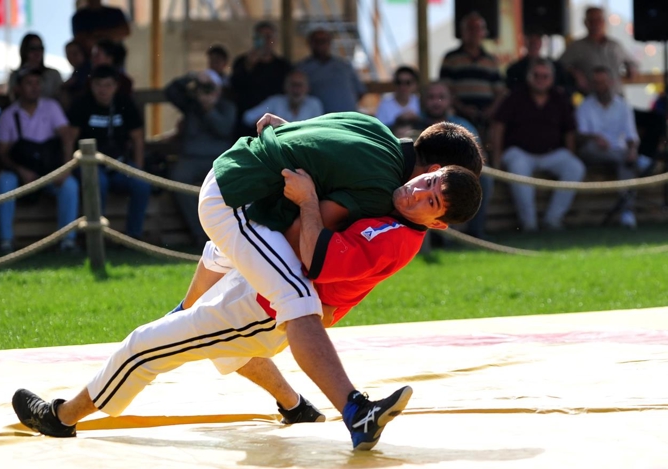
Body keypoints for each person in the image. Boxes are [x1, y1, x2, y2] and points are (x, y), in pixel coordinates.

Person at [12, 165, 483, 449]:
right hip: (266, 287)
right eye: (428, 181)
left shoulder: (395, 237)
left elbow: (314, 257)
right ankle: (294, 405)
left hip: (267, 305)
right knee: (224, 298)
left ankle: (60, 417)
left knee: (143, 347)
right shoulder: (391, 194)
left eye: (431, 200)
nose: (418, 191)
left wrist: (307, 200)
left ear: (437, 224)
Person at [179, 112, 483, 450]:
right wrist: (308, 203)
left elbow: (299, 131)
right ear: (433, 171)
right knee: (296, 306)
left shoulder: (372, 126)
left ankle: (291, 403)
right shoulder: (382, 191)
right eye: (441, 185)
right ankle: (355, 411)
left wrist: (290, 137)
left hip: (234, 171)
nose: (419, 196)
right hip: (241, 200)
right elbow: (311, 250)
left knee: (224, 289)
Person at [490, 59, 585, 232]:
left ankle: (553, 219)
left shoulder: (560, 97)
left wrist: (571, 153)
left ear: (552, 78)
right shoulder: (515, 95)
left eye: (545, 76)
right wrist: (496, 159)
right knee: (517, 165)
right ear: (528, 77)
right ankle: (529, 224)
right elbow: (498, 126)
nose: (541, 79)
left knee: (575, 167)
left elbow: (569, 131)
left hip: (552, 153)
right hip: (520, 153)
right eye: (536, 75)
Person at [0, 68, 79, 254]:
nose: (34, 88)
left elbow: (67, 137)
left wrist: (65, 169)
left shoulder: (51, 107)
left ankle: (68, 241)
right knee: (5, 181)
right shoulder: (9, 114)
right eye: (29, 83)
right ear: (17, 88)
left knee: (70, 185)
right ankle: (5, 241)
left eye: (37, 83)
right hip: (22, 172)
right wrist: (20, 171)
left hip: (49, 169)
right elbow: (2, 153)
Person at [67, 65, 151, 239]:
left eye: (108, 85)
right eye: (98, 85)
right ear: (91, 85)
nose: (103, 90)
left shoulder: (124, 103)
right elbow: (68, 139)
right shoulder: (82, 104)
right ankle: (97, 238)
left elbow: (137, 137)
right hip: (89, 165)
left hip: (119, 163)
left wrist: (139, 168)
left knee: (142, 184)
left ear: (116, 86)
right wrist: (67, 168)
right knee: (99, 183)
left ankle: (134, 237)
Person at [164, 69, 237, 248]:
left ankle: (226, 234)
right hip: (191, 158)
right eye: (203, 88)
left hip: (218, 158)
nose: (206, 93)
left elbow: (224, 129)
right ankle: (200, 234)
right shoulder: (191, 104)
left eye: (210, 88)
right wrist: (192, 77)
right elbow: (170, 91)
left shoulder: (227, 107)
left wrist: (210, 109)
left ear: (219, 90)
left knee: (230, 186)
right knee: (178, 181)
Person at [414, 81, 492, 239]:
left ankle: (474, 233)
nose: (436, 102)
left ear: (450, 100)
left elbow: (479, 159)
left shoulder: (463, 126)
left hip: (454, 177)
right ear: (424, 101)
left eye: (441, 97)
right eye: (431, 97)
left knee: (484, 178)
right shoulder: (414, 123)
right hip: (422, 179)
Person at [576, 66, 647, 229]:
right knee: (621, 157)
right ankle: (640, 161)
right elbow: (580, 136)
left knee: (626, 163)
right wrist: (595, 137)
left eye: (603, 82)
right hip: (594, 152)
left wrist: (632, 150)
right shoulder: (585, 106)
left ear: (612, 82)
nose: (601, 86)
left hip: (617, 152)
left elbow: (631, 135)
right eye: (597, 83)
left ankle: (627, 212)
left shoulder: (623, 105)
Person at [439, 12, 505, 136]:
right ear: (462, 32)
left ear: (484, 33)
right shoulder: (451, 58)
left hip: (486, 120)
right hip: (458, 118)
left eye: (478, 28)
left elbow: (500, 92)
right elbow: (444, 90)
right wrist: (463, 108)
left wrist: (490, 111)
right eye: (470, 28)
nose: (474, 32)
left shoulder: (491, 60)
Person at [230, 21, 293, 138]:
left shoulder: (283, 66)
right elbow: (234, 87)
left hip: (274, 125)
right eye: (261, 37)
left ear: (275, 39)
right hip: (245, 125)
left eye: (268, 37)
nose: (265, 41)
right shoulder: (242, 62)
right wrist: (248, 66)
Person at [559, 7, 637, 96]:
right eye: (592, 20)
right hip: (591, 98)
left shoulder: (614, 46)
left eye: (599, 20)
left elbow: (632, 62)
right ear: (585, 23)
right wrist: (575, 73)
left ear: (604, 22)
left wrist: (631, 67)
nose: (595, 24)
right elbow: (559, 65)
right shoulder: (577, 47)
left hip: (616, 97)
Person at [296, 27, 366, 114]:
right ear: (310, 43)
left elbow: (360, 91)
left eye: (324, 40)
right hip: (319, 120)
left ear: (330, 43)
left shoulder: (344, 65)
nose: (320, 44)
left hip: (347, 118)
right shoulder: (301, 68)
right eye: (316, 41)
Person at [242, 70, 323, 126]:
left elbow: (319, 128)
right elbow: (248, 117)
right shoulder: (275, 101)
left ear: (307, 88)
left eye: (299, 85)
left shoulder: (314, 104)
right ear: (285, 87)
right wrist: (267, 121)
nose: (296, 90)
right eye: (293, 85)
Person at [505, 31, 572, 94]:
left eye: (545, 77)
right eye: (536, 76)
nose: (540, 81)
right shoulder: (514, 69)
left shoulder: (556, 66)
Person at [8, 34, 64, 102]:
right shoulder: (15, 76)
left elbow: (62, 100)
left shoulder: (53, 74)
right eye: (32, 48)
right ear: (24, 50)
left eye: (40, 48)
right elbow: (13, 100)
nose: (37, 52)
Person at [60, 39, 92, 110]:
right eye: (68, 54)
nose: (71, 57)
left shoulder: (89, 70)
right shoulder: (76, 72)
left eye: (75, 53)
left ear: (83, 53)